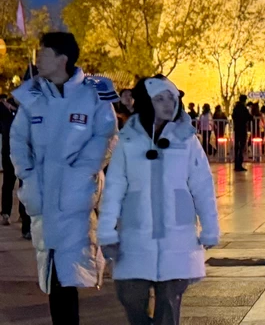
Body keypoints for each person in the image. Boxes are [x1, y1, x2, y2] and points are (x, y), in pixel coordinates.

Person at [10, 32, 118, 325]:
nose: (37, 59)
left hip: (76, 196)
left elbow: (107, 135)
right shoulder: (32, 94)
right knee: (53, 269)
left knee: (67, 272)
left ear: (62, 59)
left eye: (43, 54)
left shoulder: (95, 92)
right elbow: (18, 139)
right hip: (41, 194)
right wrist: (27, 174)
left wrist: (82, 171)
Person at [98, 76, 219, 325]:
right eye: (159, 98)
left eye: (171, 98)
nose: (167, 104)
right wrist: (107, 230)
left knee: (169, 306)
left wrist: (210, 228)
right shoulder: (128, 142)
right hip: (135, 237)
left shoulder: (188, 141)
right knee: (129, 296)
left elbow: (202, 187)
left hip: (178, 237)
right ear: (146, 102)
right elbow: (114, 188)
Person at [1, 94, 30, 237]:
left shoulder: (26, 112)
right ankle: (8, 213)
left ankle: (22, 219)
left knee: (19, 186)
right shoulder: (7, 113)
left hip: (18, 154)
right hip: (12, 154)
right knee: (13, 184)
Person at [232, 95, 250, 172]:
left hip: (237, 129)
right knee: (241, 147)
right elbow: (248, 117)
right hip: (242, 129)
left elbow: (233, 116)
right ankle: (239, 164)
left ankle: (236, 164)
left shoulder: (236, 108)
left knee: (237, 147)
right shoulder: (243, 108)